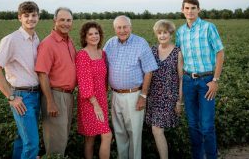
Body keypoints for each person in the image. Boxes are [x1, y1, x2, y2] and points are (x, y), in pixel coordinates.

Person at [0, 1, 41, 159]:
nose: (30, 19)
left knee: (22, 139)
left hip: (36, 95)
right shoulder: (11, 39)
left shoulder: (36, 39)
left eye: (33, 15)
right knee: (32, 143)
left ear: (38, 17)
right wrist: (11, 97)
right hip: (22, 96)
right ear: (19, 17)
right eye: (26, 16)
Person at [176, 0, 224, 159]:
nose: (190, 11)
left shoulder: (208, 27)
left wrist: (215, 81)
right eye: (187, 8)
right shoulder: (180, 32)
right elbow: (178, 56)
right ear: (182, 10)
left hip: (206, 81)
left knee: (207, 126)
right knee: (192, 126)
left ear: (199, 10)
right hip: (189, 81)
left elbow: (220, 53)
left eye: (193, 8)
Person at [104, 15, 158, 159]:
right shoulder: (110, 44)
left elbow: (149, 70)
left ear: (130, 27)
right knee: (119, 132)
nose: (122, 30)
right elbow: (103, 67)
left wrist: (143, 96)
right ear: (114, 29)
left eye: (125, 27)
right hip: (115, 95)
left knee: (134, 133)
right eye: (119, 27)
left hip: (134, 95)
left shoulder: (141, 43)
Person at [35, 7, 76, 156]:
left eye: (68, 20)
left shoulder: (69, 41)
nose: (65, 23)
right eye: (62, 20)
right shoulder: (48, 43)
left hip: (68, 95)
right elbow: (42, 74)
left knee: (63, 136)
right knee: (55, 141)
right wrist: (50, 101)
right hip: (55, 95)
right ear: (55, 21)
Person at [145, 20, 183, 159]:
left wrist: (179, 101)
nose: (162, 36)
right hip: (153, 96)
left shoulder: (177, 52)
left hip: (168, 96)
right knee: (156, 129)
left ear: (170, 33)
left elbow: (181, 78)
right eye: (159, 33)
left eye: (165, 33)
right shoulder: (152, 50)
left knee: (157, 129)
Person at [76, 21, 112, 159]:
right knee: (106, 135)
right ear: (85, 37)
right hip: (89, 101)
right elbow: (84, 82)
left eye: (96, 33)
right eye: (90, 34)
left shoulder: (101, 53)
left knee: (91, 138)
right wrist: (95, 105)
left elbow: (105, 77)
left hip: (101, 98)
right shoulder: (82, 55)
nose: (93, 36)